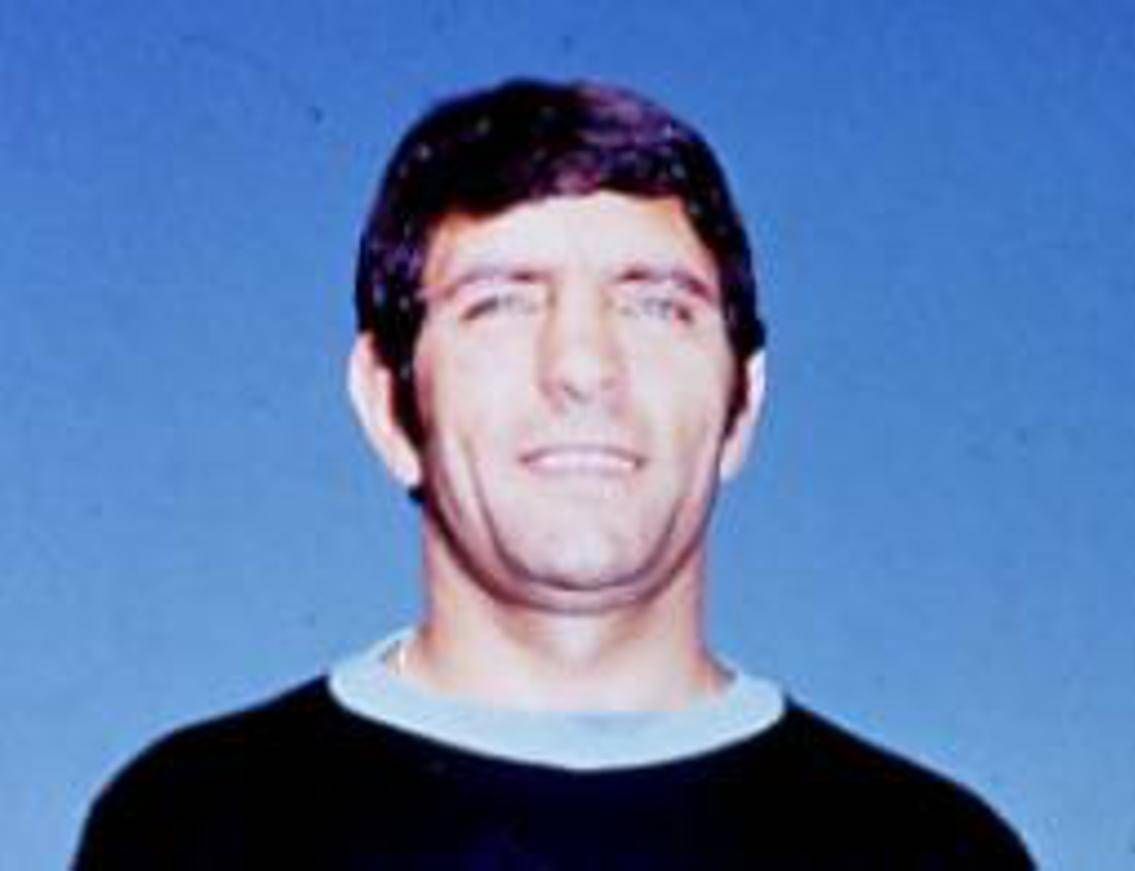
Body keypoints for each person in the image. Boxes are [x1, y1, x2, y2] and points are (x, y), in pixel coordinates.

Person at [73, 78, 1034, 869]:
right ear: (387, 402)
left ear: (743, 403)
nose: (583, 366)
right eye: (502, 302)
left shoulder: (934, 852)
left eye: (655, 305)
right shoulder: (193, 830)